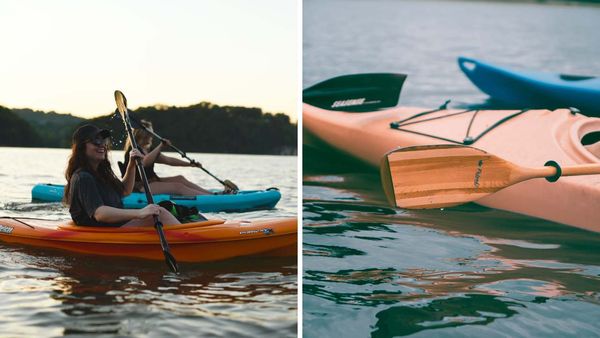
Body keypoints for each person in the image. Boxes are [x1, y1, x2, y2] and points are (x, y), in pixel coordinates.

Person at [64, 124, 180, 227]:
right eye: (96, 141)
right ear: (81, 147)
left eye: (103, 141)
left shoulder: (101, 173)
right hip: (102, 230)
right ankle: (189, 240)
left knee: (161, 209)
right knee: (161, 214)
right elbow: (100, 214)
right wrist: (140, 213)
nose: (102, 145)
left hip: (113, 225)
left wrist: (131, 165)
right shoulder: (83, 177)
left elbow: (125, 191)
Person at [122, 119, 221, 195]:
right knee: (177, 187)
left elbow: (168, 160)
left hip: (152, 181)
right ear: (143, 135)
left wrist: (190, 164)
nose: (151, 137)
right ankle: (210, 198)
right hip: (140, 186)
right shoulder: (134, 150)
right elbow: (145, 162)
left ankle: (212, 195)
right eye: (149, 135)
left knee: (180, 178)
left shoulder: (149, 149)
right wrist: (160, 146)